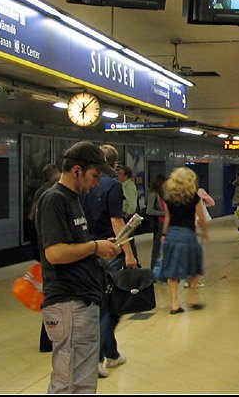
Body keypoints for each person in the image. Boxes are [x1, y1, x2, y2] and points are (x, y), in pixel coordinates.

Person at [35, 141, 121, 393]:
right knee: (68, 381)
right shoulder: (54, 200)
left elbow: (77, 247)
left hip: (82, 302)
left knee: (82, 381)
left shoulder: (75, 200)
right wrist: (95, 247)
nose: (97, 182)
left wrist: (101, 247)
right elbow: (55, 253)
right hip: (67, 303)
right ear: (76, 171)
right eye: (95, 176)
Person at [80, 144, 136, 378]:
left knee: (100, 304)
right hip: (109, 250)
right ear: (115, 165)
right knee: (112, 306)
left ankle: (111, 353)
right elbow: (116, 221)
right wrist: (129, 253)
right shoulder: (113, 185)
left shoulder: (82, 186)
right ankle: (100, 357)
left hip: (89, 251)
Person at [160, 167, 209, 313]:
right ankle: (193, 299)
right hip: (188, 236)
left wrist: (164, 235)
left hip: (172, 235)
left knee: (172, 270)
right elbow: (201, 218)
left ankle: (175, 304)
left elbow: (167, 218)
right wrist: (205, 232)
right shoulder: (194, 197)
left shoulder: (168, 198)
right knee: (194, 268)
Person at [29, 163, 61, 353]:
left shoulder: (40, 192)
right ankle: (48, 339)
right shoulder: (52, 193)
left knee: (50, 292)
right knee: (54, 294)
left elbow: (32, 216)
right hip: (50, 248)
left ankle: (48, 339)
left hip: (42, 246)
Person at [146, 174, 167, 270]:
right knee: (157, 248)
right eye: (164, 184)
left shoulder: (162, 195)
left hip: (165, 224)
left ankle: (160, 269)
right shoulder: (153, 195)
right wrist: (164, 213)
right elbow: (149, 210)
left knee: (162, 248)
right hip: (159, 224)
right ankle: (154, 270)